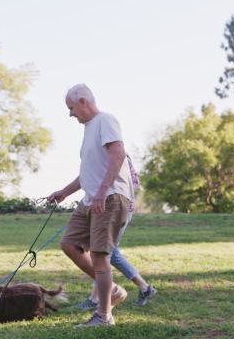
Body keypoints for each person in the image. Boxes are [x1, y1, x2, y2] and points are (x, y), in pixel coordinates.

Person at [47, 83, 139, 327]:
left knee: (99, 256)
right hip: (91, 198)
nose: (70, 113)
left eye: (71, 108)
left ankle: (104, 316)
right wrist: (64, 192)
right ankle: (112, 290)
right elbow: (87, 172)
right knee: (69, 244)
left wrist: (101, 193)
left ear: (84, 102)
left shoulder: (106, 120)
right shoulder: (89, 129)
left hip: (108, 198)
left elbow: (118, 154)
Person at [77, 155, 157, 310]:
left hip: (115, 208)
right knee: (108, 252)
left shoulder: (116, 156)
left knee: (102, 252)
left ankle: (95, 299)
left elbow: (123, 183)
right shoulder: (121, 156)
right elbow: (135, 182)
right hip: (117, 208)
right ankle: (144, 288)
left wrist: (103, 195)